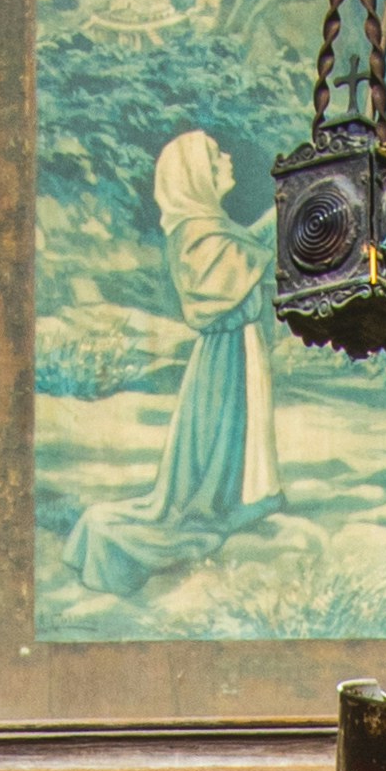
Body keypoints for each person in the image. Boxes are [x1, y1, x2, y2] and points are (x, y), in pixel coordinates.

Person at [148, 129, 279, 529]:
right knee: (231, 421)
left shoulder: (209, 225)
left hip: (237, 343)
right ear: (197, 175)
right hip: (227, 348)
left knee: (245, 417)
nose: (227, 157)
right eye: (215, 156)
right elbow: (238, 270)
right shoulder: (197, 232)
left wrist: (282, 211)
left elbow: (246, 250)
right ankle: (235, 496)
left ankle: (251, 492)